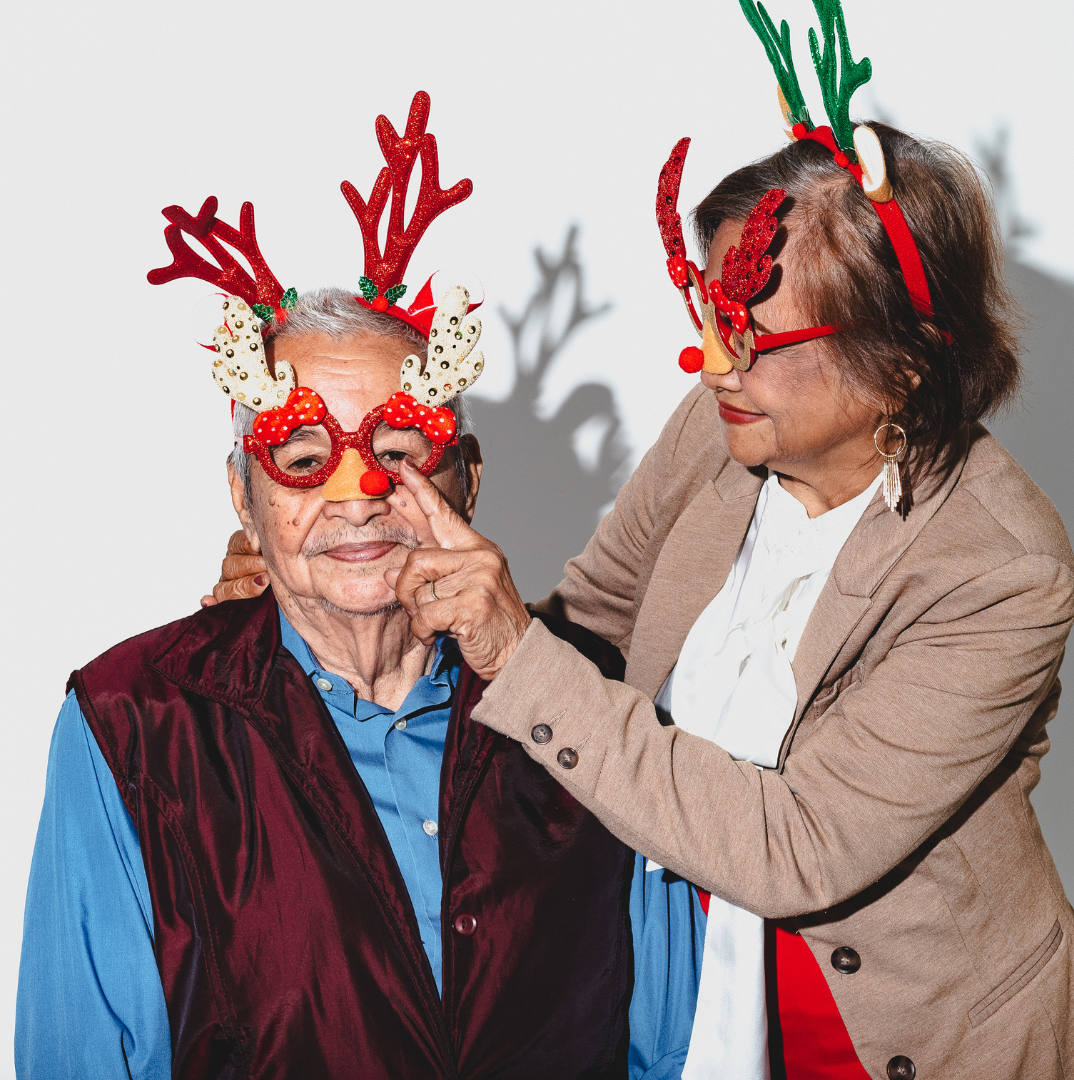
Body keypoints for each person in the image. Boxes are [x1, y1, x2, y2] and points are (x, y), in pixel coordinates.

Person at [340, 12, 1074, 1080]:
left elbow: (798, 845)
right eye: (708, 307)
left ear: (902, 366)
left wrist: (512, 646)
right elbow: (586, 631)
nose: (715, 357)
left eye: (758, 334)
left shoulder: (1004, 572)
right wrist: (387, 597)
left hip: (909, 1041)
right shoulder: (723, 425)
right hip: (686, 994)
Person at [17, 93, 703, 1080]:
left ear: (466, 479)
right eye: (302, 455)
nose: (358, 495)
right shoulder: (135, 724)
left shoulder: (598, 703)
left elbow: (684, 1049)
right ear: (243, 499)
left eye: (398, 451)